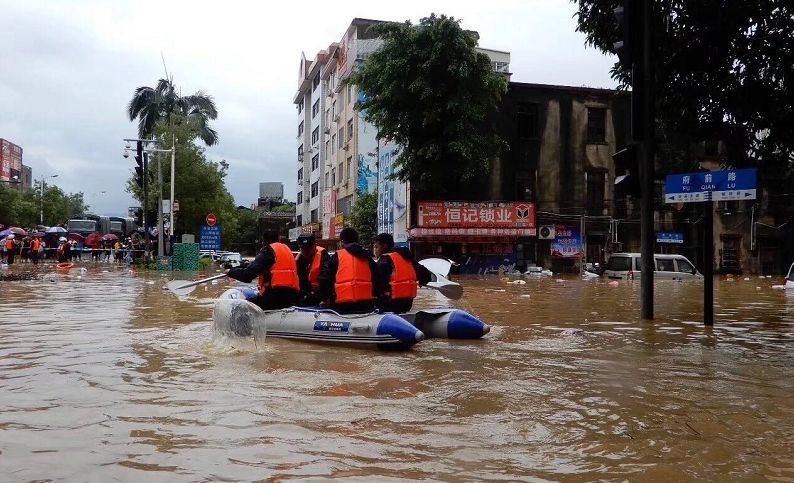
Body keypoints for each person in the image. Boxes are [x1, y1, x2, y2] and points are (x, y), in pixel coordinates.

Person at [227, 231, 301, 310]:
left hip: (274, 298)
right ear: (278, 239)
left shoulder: (267, 252)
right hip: (293, 297)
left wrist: (230, 272)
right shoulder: (287, 251)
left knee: (242, 307)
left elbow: (247, 276)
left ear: (264, 241)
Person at [318, 227, 379, 314]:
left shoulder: (337, 256)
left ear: (342, 241)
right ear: (357, 240)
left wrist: (325, 298)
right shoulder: (367, 257)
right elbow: (377, 278)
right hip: (366, 305)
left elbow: (325, 278)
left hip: (343, 306)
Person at [374, 233, 433, 313]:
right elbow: (426, 274)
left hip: (388, 304)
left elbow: (376, 283)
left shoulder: (385, 259)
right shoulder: (407, 257)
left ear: (384, 246)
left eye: (376, 247)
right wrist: (422, 281)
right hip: (407, 305)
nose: (375, 250)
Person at [294, 233, 330, 306]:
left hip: (319, 300)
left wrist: (325, 298)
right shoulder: (298, 260)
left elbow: (327, 278)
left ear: (315, 245)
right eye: (303, 249)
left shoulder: (324, 257)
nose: (306, 251)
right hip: (302, 299)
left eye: (308, 248)